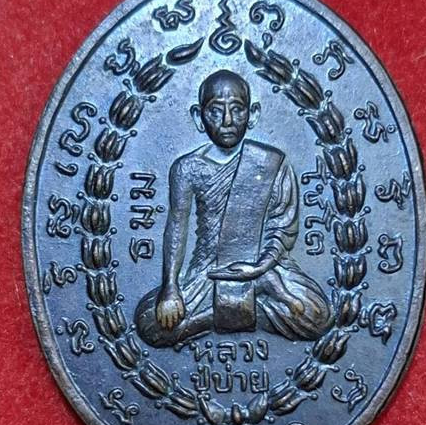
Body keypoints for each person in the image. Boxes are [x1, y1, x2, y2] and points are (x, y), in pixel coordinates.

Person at [135, 70, 333, 347]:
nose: (227, 120)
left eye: (237, 109)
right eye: (216, 111)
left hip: (264, 269)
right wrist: (170, 288)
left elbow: (282, 226)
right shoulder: (186, 168)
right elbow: (177, 227)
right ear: (198, 116)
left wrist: (258, 268)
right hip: (209, 273)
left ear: (252, 114)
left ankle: (215, 316)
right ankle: (238, 312)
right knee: (149, 324)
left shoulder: (271, 162)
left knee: (318, 316)